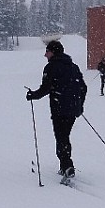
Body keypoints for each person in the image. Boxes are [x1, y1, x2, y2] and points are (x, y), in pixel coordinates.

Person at [26, 40, 87, 179]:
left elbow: (46, 88)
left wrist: (32, 95)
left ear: (53, 52)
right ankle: (65, 165)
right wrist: (79, 105)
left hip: (59, 108)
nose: (45, 55)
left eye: (47, 52)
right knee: (64, 136)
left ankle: (67, 166)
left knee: (61, 137)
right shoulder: (73, 66)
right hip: (72, 109)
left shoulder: (51, 67)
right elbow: (83, 87)